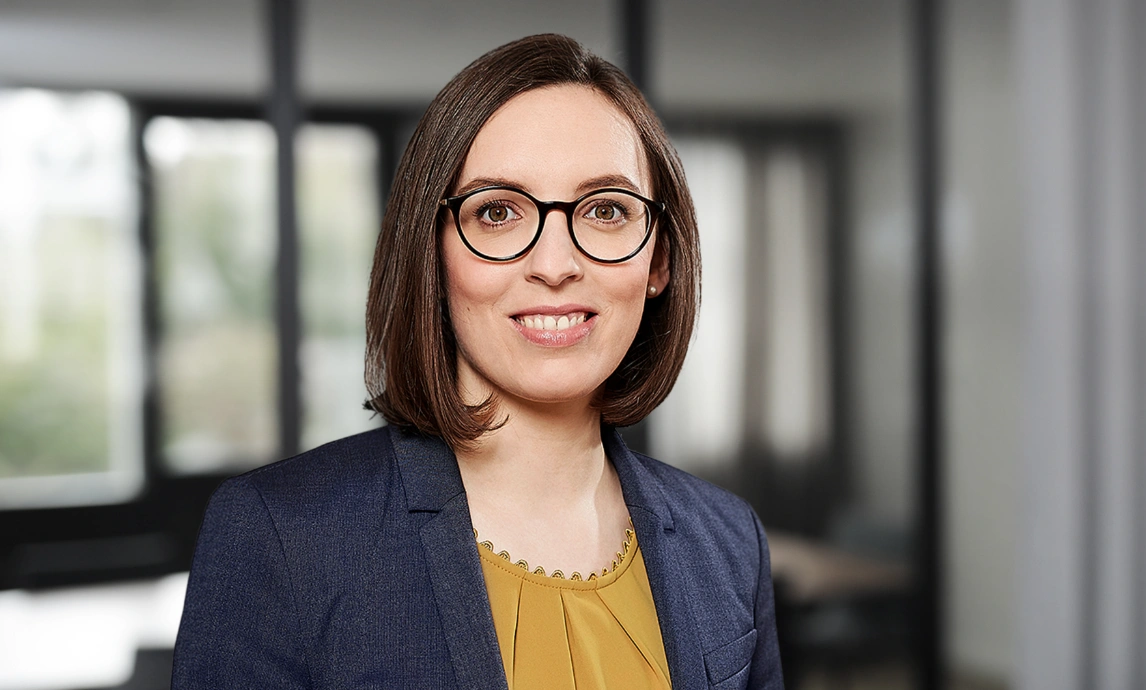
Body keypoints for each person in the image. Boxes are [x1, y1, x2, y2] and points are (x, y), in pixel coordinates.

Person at [171, 33, 782, 690]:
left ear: (658, 259)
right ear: (432, 255)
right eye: (497, 212)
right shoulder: (281, 532)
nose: (555, 266)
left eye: (606, 210)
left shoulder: (730, 540)